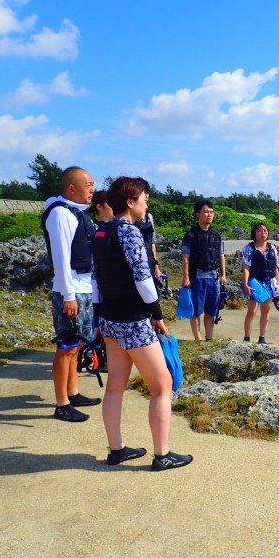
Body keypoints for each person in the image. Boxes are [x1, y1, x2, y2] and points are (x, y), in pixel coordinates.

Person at [92, 176, 193, 471]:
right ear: (131, 201)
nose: (147, 203)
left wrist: (99, 316)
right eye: (145, 198)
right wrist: (157, 315)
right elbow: (144, 282)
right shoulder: (129, 232)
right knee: (162, 385)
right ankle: (162, 455)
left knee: (115, 386)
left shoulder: (102, 232)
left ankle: (117, 449)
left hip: (110, 318)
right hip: (133, 320)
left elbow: (97, 281)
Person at [41, 166, 100, 422]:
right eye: (88, 185)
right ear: (71, 188)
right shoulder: (60, 215)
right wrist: (68, 296)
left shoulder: (78, 213)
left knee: (77, 345)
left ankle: (73, 391)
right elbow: (62, 258)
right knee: (66, 346)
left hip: (83, 288)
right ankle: (61, 403)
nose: (92, 190)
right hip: (71, 290)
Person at [181, 200, 226, 341]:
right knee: (196, 310)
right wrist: (186, 277)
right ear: (198, 214)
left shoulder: (217, 235)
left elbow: (221, 255)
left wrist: (224, 275)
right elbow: (185, 257)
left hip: (214, 277)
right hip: (197, 276)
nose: (209, 215)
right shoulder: (190, 235)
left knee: (211, 311)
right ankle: (197, 338)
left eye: (211, 212)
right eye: (206, 212)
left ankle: (209, 337)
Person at [241, 223, 279, 344]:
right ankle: (247, 337)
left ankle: (262, 338)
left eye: (264, 230)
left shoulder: (272, 248)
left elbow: (275, 267)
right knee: (252, 310)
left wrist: (278, 284)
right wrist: (245, 284)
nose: (262, 232)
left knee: (266, 310)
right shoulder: (249, 248)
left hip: (269, 282)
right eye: (259, 230)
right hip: (254, 282)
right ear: (254, 233)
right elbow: (246, 267)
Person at [134, 180, 164, 283]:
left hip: (149, 261)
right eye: (143, 192)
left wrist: (156, 265)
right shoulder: (128, 220)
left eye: (147, 192)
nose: (146, 196)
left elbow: (152, 242)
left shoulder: (149, 217)